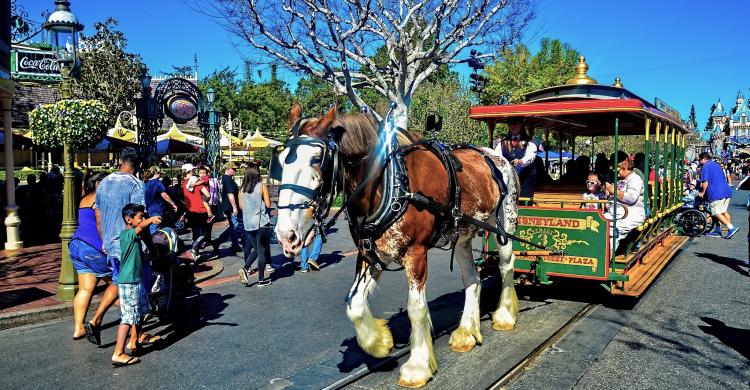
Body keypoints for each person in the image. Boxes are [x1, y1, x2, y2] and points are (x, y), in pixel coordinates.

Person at [87, 147, 145, 346]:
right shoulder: (136, 185)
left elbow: (98, 215)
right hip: (129, 245)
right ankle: (131, 340)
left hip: (111, 243)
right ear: (139, 165)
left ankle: (96, 320)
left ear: (120, 161)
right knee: (134, 286)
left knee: (119, 282)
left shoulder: (103, 184)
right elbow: (139, 220)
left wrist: (104, 241)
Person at [112, 203, 161, 367]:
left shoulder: (135, 238)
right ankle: (118, 353)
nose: (143, 219)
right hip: (129, 282)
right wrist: (151, 220)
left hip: (136, 281)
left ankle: (137, 339)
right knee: (128, 318)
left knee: (141, 311)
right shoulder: (126, 234)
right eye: (140, 217)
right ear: (128, 219)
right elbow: (140, 229)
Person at [70, 172, 116, 341]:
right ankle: (98, 321)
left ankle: (78, 328)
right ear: (98, 183)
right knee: (119, 282)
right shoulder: (100, 198)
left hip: (77, 245)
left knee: (85, 288)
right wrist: (106, 244)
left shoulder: (84, 198)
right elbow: (99, 223)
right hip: (93, 248)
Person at [238, 163, 273, 287]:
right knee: (262, 252)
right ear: (257, 173)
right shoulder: (262, 186)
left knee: (257, 250)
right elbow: (268, 205)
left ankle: (245, 268)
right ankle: (261, 279)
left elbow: (241, 207)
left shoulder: (241, 190)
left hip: (248, 224)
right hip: (262, 223)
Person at [603, 151, 646, 250]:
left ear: (624, 165)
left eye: (616, 169)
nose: (615, 172)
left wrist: (613, 191)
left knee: (611, 230)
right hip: (616, 212)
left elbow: (631, 198)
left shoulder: (635, 179)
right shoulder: (619, 180)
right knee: (598, 224)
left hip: (631, 213)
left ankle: (606, 258)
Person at [698, 152, 739, 238]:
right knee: (723, 211)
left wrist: (702, 192)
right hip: (726, 190)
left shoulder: (706, 166)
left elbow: (705, 182)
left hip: (716, 192)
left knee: (716, 212)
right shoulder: (716, 165)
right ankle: (717, 230)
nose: (700, 162)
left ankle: (731, 228)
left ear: (704, 159)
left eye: (700, 160)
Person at [496, 119, 537, 199]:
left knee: (524, 201)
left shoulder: (529, 142)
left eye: (515, 123)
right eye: (510, 124)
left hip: (526, 178)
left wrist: (521, 161)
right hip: (508, 178)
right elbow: (497, 156)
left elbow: (531, 156)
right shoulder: (502, 143)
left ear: (521, 125)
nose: (512, 126)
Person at [183, 166, 213, 259]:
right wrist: (206, 200)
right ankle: (194, 249)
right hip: (201, 210)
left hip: (190, 210)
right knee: (204, 233)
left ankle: (195, 253)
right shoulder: (198, 184)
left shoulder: (184, 183)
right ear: (190, 171)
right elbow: (208, 194)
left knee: (195, 232)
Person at [212, 162, 242, 253]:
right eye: (234, 169)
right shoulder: (227, 179)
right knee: (234, 225)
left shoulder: (226, 178)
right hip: (230, 206)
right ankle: (218, 241)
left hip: (228, 206)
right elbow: (230, 194)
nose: (235, 171)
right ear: (228, 169)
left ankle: (235, 244)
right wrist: (235, 207)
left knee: (234, 225)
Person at [143, 166, 178, 234]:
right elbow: (164, 195)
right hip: (157, 210)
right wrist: (173, 204)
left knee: (150, 229)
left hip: (148, 210)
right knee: (154, 230)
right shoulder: (158, 183)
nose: (161, 175)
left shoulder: (146, 183)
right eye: (160, 174)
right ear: (157, 173)